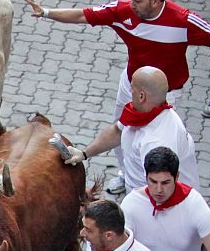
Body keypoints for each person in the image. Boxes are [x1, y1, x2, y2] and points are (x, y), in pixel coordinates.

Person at [23, 0, 210, 194]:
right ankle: (127, 174)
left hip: (166, 91)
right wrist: (45, 12)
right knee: (124, 129)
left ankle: (141, 180)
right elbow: (82, 15)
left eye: (138, 1)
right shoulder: (124, 10)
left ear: (155, 1)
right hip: (132, 81)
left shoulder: (183, 21)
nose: (132, 4)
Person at [64, 67, 199, 194]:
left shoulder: (156, 142)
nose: (129, 89)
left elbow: (160, 191)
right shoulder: (142, 113)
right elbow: (118, 131)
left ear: (141, 96)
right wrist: (84, 153)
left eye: (132, 87)